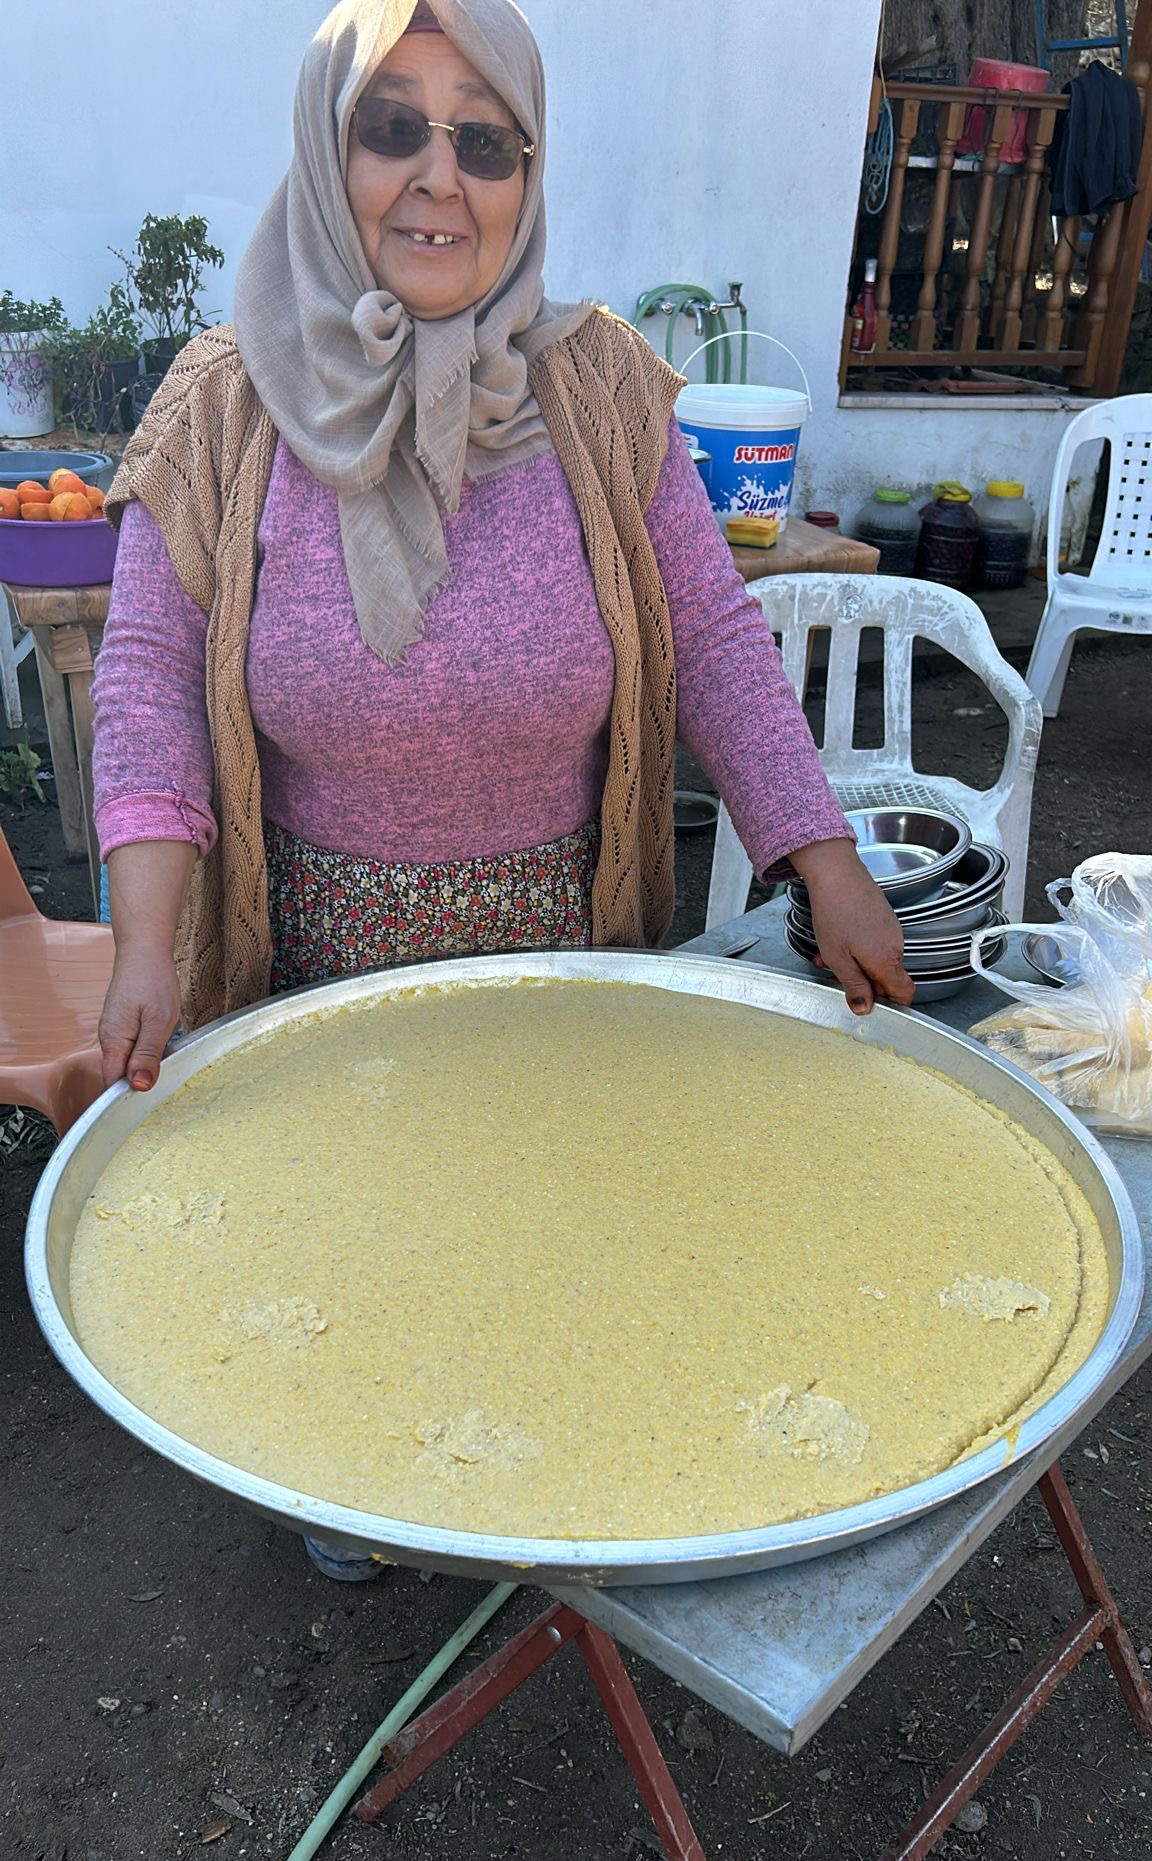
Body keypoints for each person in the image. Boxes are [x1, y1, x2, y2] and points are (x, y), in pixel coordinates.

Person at [91, 0, 913, 1576]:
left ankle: (550, 1509)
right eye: (390, 123)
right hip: (318, 992)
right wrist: (145, 943)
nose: (437, 176)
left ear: (530, 177)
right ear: (328, 150)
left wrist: (825, 857)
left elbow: (718, 641)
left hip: (568, 975)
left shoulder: (601, 392)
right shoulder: (224, 406)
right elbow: (141, 698)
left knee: (557, 1292)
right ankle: (372, 1508)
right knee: (358, 1341)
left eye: (486, 138)